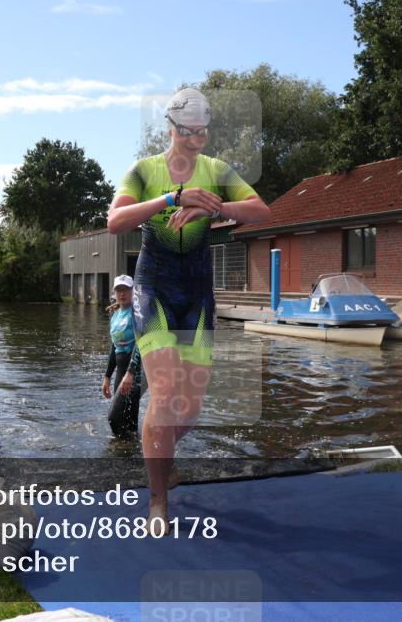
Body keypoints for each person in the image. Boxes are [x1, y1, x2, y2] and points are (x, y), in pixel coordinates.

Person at [107, 87, 270, 533]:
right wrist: (173, 199)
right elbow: (115, 221)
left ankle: (161, 452)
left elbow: (260, 209)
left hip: (197, 293)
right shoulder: (144, 171)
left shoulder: (218, 170)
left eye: (203, 131)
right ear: (172, 128)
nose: (198, 139)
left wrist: (209, 208)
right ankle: (158, 499)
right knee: (162, 393)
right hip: (154, 287)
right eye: (189, 131)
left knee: (190, 408)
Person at [102, 275, 146, 438]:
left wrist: (131, 372)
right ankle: (130, 455)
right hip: (121, 372)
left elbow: (141, 343)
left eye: (126, 290)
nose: (122, 294)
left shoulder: (137, 314)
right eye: (119, 290)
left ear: (132, 291)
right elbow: (114, 348)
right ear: (114, 292)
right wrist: (107, 376)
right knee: (127, 420)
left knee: (113, 418)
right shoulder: (115, 316)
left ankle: (122, 449)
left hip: (134, 372)